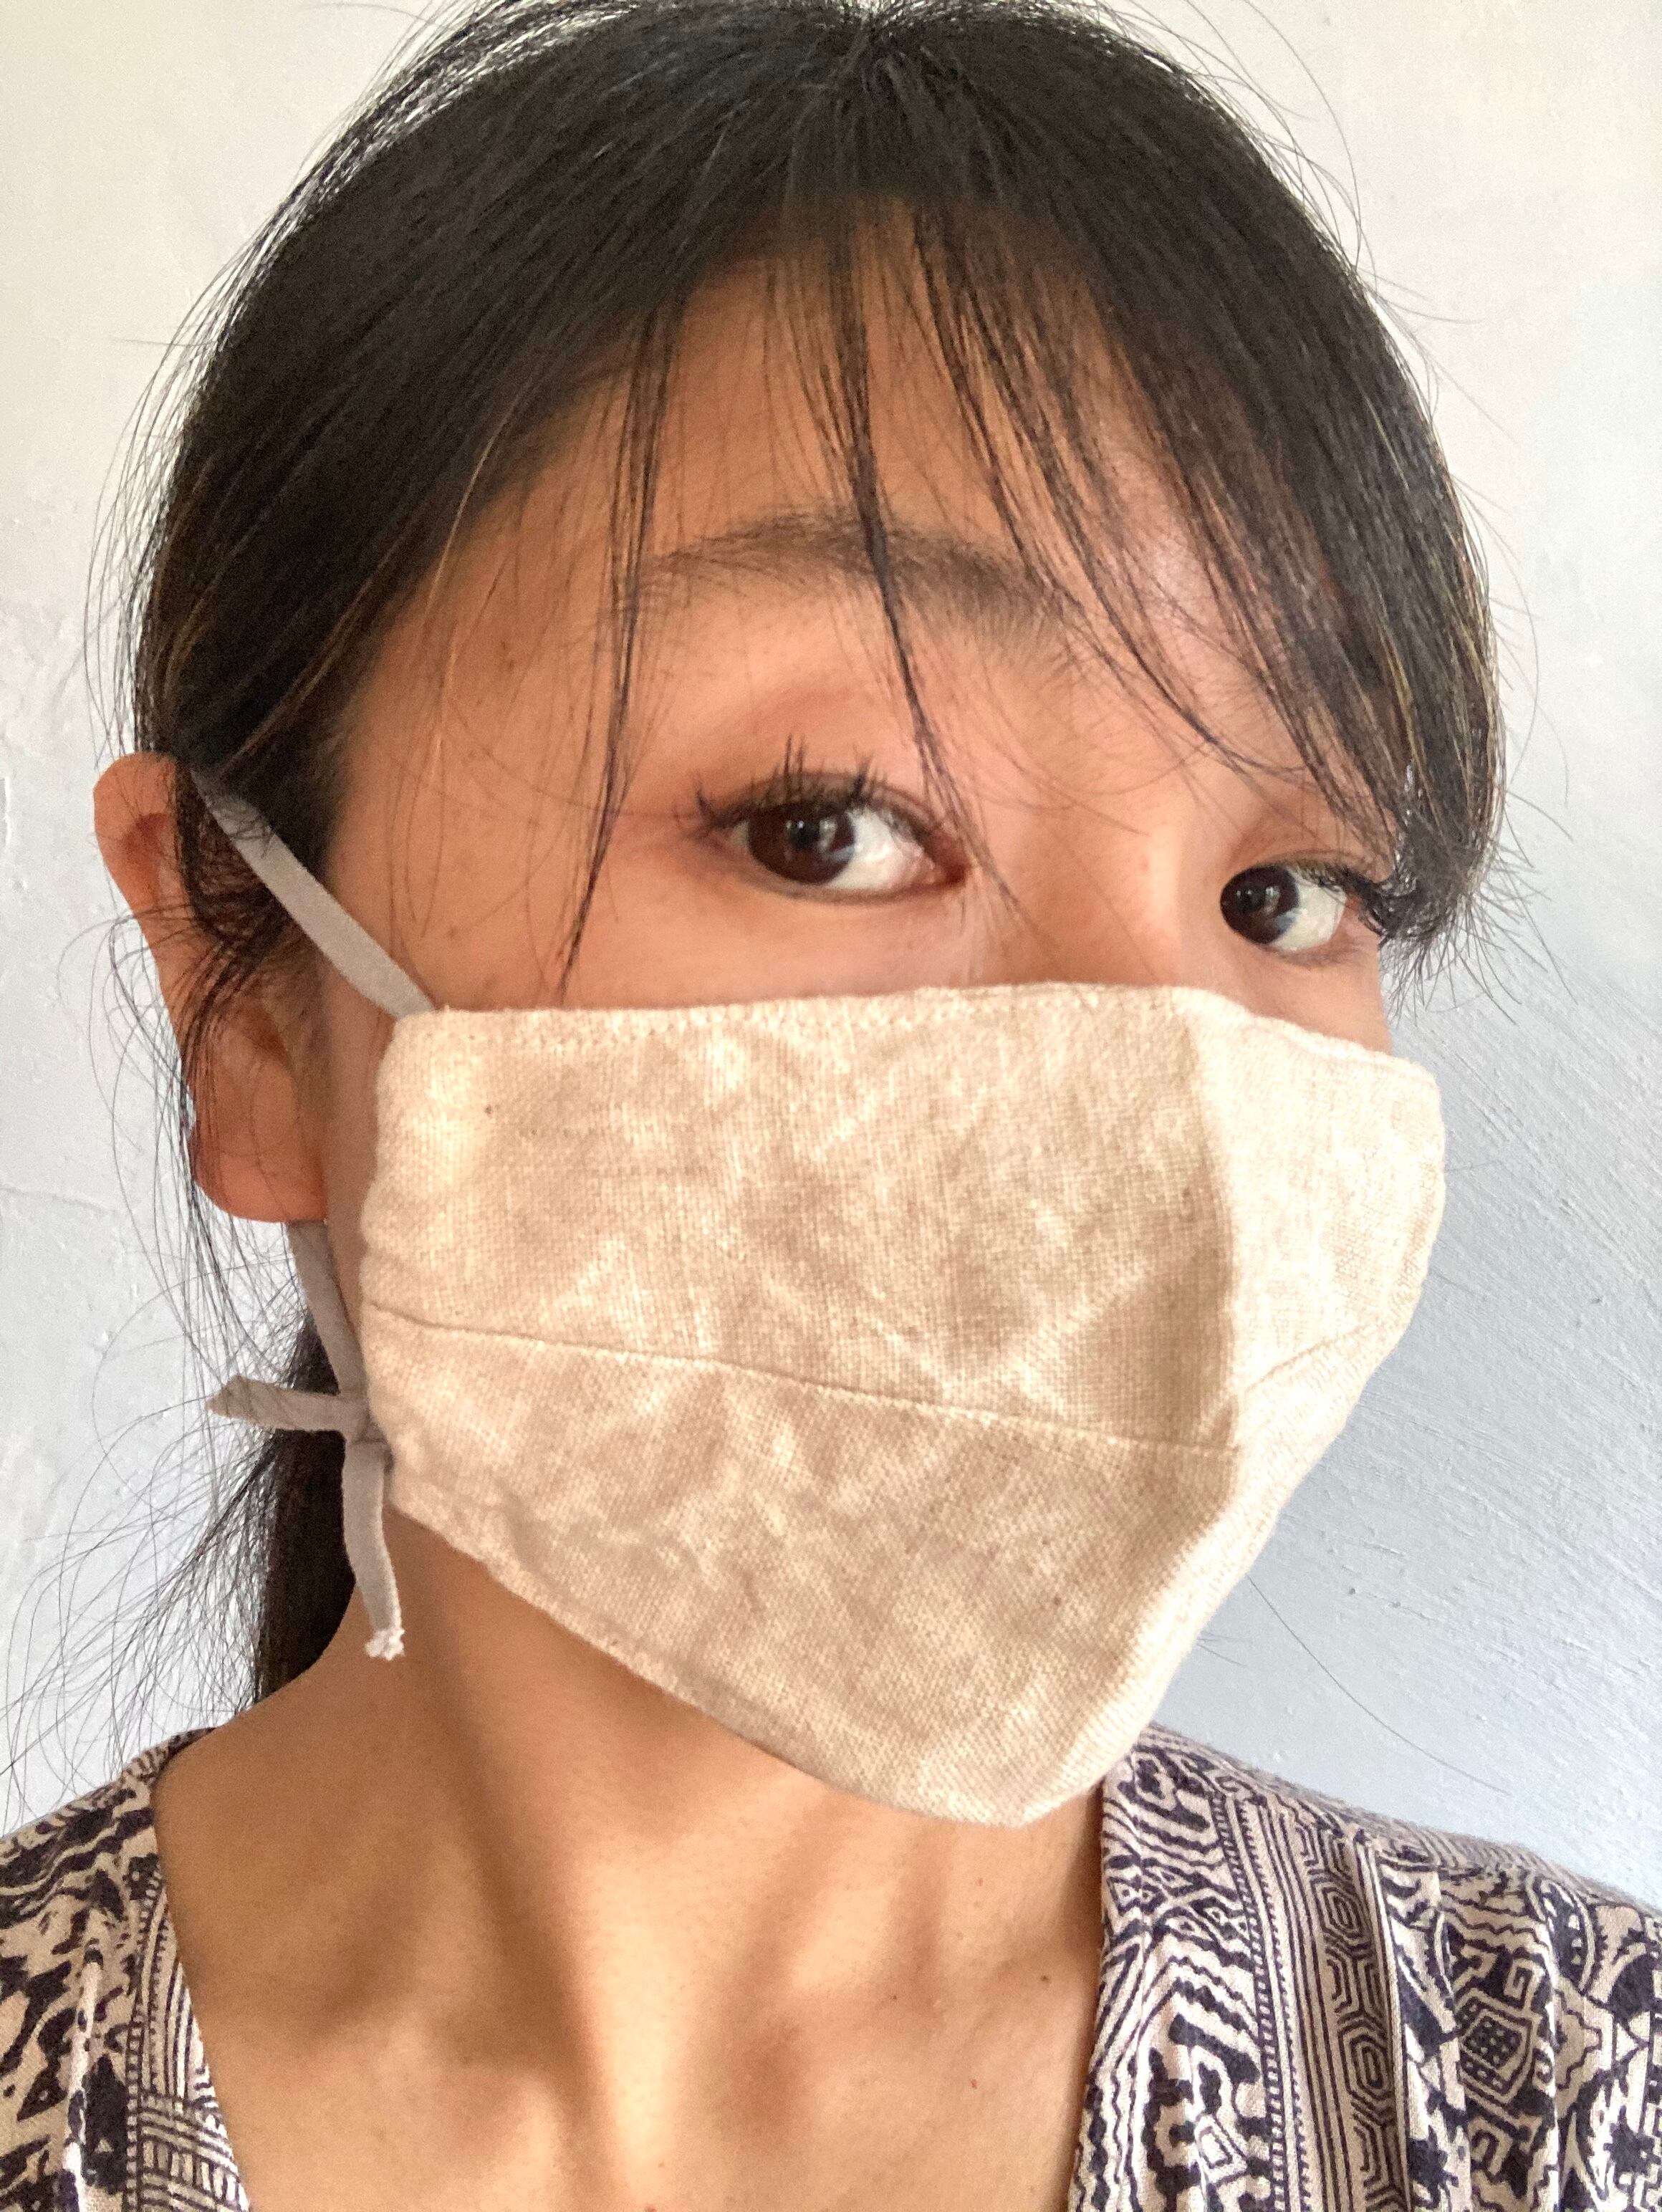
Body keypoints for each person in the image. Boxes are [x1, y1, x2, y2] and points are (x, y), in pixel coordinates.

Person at [2, 1, 1656, 2206]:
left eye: (1288, 892)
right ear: (247, 987)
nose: (1172, 1089)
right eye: (827, 826)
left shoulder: (1574, 2103)